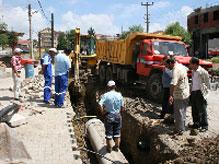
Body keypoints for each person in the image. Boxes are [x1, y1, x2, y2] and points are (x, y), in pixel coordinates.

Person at [99, 80, 125, 152]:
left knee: (109, 133)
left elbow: (100, 104)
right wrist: (119, 113)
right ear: (115, 87)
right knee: (117, 133)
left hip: (109, 115)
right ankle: (116, 147)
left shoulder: (105, 95)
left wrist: (102, 112)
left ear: (108, 87)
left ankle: (109, 148)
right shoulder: (119, 95)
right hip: (117, 115)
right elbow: (123, 107)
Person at [166, 57, 190, 135]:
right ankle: (182, 128)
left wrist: (170, 96)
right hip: (186, 92)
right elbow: (187, 70)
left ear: (170, 63)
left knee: (178, 112)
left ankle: (179, 130)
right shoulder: (181, 66)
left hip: (179, 94)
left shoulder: (175, 70)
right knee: (183, 111)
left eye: (167, 65)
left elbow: (173, 84)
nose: (167, 67)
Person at [189, 57, 210, 132]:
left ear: (195, 64)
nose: (189, 65)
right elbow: (193, 82)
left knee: (202, 109)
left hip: (200, 92)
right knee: (194, 109)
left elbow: (207, 83)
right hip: (194, 92)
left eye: (190, 63)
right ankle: (196, 123)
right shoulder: (193, 71)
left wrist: (206, 94)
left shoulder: (202, 72)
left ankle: (204, 126)